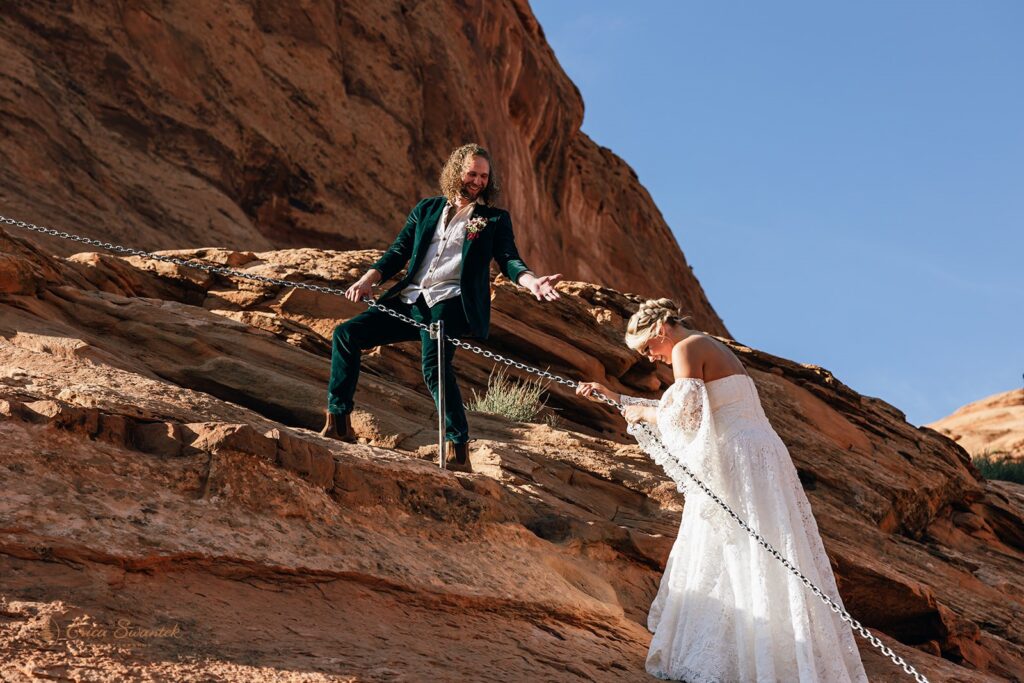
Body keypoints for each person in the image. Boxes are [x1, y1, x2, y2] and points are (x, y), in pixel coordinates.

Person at [577, 299, 868, 682]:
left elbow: (686, 417)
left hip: (738, 454)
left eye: (648, 348)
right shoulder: (711, 345)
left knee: (730, 542)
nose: (651, 358)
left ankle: (748, 660)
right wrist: (616, 400)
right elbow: (690, 408)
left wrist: (642, 412)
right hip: (760, 452)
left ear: (661, 331)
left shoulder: (684, 348)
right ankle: (766, 655)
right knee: (756, 543)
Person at [320, 143, 562, 473]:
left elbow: (508, 259)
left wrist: (531, 282)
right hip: (409, 299)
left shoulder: (492, 219)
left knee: (434, 367)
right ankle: (339, 422)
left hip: (448, 305)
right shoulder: (427, 209)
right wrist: (367, 280)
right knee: (347, 334)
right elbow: (398, 251)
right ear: (455, 172)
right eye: (472, 174)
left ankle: (458, 450)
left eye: (484, 176)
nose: (478, 181)